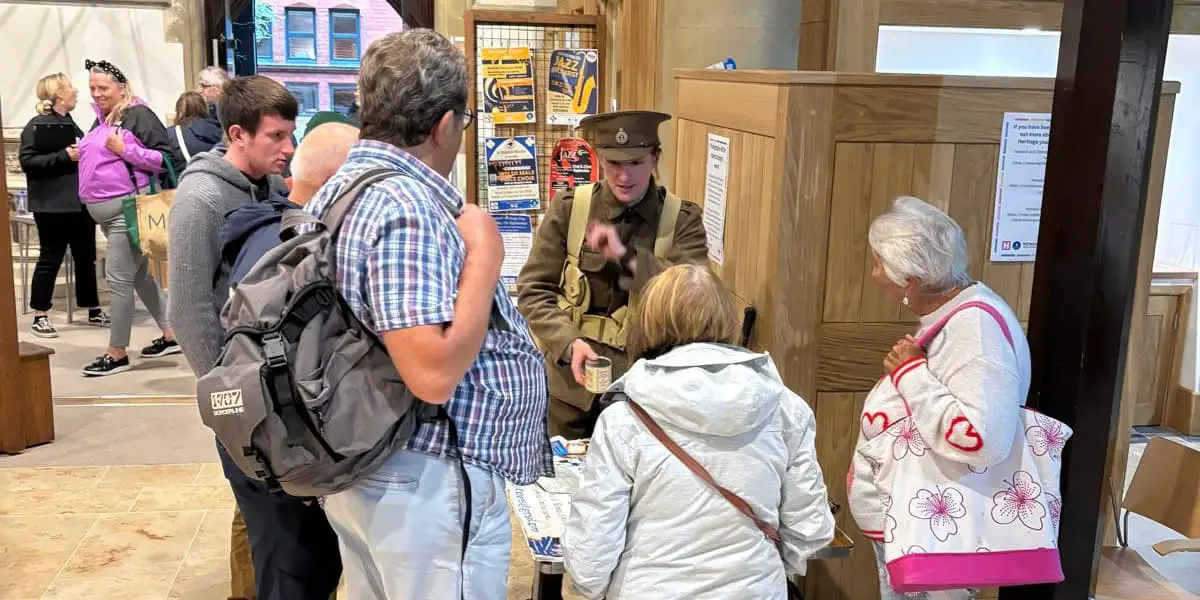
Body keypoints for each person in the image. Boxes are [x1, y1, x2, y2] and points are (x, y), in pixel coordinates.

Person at [303, 29, 549, 599]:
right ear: (445, 124)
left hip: (376, 462)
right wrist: (485, 255)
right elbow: (432, 373)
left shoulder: (342, 186)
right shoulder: (405, 208)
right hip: (424, 476)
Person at [167, 75, 343, 600]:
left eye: (292, 135)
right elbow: (190, 310)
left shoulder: (268, 188)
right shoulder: (200, 199)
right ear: (238, 134)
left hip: (281, 391)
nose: (289, 148)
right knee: (276, 541)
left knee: (292, 537)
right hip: (245, 397)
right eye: (277, 137)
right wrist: (231, 398)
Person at [563, 264, 835, 599]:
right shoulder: (785, 407)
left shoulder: (625, 417)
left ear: (648, 321)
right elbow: (811, 530)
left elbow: (591, 550)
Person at [846, 196, 1032, 600]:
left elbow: (985, 439)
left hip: (936, 533)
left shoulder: (976, 332)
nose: (875, 274)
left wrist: (910, 375)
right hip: (917, 529)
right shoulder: (957, 315)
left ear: (908, 280)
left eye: (878, 264)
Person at [517, 110, 709, 439]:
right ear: (599, 160)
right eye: (613, 163)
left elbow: (691, 298)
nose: (623, 176)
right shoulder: (569, 210)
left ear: (654, 158)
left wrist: (625, 258)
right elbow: (534, 290)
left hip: (647, 389)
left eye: (635, 162)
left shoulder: (682, 220)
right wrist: (567, 342)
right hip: (569, 389)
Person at [76, 59, 178, 376]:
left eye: (103, 88)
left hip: (128, 211)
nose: (97, 94)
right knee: (138, 276)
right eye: (92, 88)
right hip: (108, 213)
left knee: (118, 280)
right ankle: (171, 333)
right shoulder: (102, 119)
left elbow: (165, 158)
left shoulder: (138, 115)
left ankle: (117, 352)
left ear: (122, 88)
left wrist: (126, 150)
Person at [18, 72, 109, 337]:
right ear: (59, 93)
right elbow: (28, 162)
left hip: (78, 201)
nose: (77, 91)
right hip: (52, 205)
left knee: (86, 258)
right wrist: (63, 156)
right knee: (50, 258)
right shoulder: (37, 125)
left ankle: (92, 308)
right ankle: (40, 314)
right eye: (71, 87)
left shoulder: (70, 124)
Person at [168, 91, 222, 163]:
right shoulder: (220, 129)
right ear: (205, 108)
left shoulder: (171, 134)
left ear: (179, 111)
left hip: (188, 172)